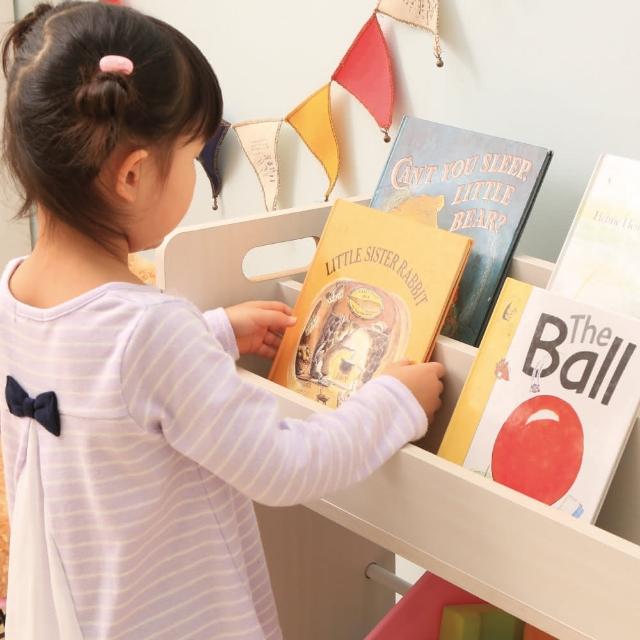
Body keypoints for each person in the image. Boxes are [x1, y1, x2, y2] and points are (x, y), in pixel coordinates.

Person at [0, 2, 445, 639]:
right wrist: (393, 402)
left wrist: (210, 333)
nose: (195, 174)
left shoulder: (15, 293)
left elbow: (106, 392)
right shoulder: (152, 330)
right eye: (190, 157)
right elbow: (284, 466)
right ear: (133, 175)